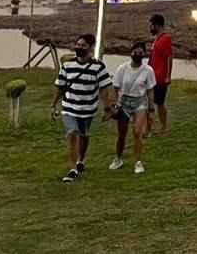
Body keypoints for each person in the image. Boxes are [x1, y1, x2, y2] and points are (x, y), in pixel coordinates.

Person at [52, 33, 113, 183]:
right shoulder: (67, 66)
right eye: (78, 45)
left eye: (83, 45)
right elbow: (60, 87)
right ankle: (72, 169)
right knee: (72, 133)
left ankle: (81, 159)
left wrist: (107, 108)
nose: (79, 47)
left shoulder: (98, 67)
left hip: (87, 109)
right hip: (69, 107)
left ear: (90, 47)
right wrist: (53, 104)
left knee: (84, 135)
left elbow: (104, 89)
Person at [110, 40, 157, 174]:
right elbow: (115, 88)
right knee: (122, 134)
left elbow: (150, 91)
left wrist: (151, 108)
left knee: (137, 132)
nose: (137, 55)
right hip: (124, 103)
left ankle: (138, 162)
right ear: (131, 53)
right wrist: (114, 105)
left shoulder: (148, 70)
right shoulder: (122, 69)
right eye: (135, 52)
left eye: (140, 53)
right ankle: (118, 158)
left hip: (139, 103)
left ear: (144, 54)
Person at [147, 13, 173, 136]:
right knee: (149, 102)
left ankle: (163, 127)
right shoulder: (156, 39)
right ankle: (149, 128)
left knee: (160, 103)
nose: (150, 28)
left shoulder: (166, 38)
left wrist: (168, 76)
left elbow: (169, 58)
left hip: (160, 77)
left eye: (152, 25)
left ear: (157, 25)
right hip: (152, 76)